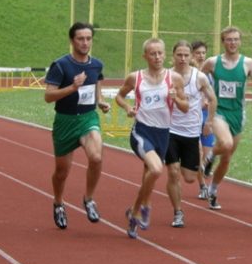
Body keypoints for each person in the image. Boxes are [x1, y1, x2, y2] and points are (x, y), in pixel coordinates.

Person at [115, 37, 188, 239]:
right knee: (156, 169)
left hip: (163, 134)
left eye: (160, 53)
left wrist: (176, 98)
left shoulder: (174, 79)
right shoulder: (135, 77)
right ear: (145, 56)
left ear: (165, 55)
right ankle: (140, 209)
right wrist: (128, 107)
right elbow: (119, 96)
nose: (157, 57)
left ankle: (136, 212)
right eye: (153, 53)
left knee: (149, 174)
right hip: (141, 132)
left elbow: (185, 107)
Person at [44, 22, 110, 229]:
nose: (85, 42)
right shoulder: (60, 65)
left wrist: (100, 101)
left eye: (88, 38)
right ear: (72, 41)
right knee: (62, 172)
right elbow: (48, 96)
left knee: (96, 157)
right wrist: (72, 87)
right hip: (65, 121)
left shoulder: (96, 65)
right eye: (80, 39)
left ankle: (89, 199)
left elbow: (97, 86)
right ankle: (58, 203)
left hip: (88, 119)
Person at [200, 26, 252, 210]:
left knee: (226, 159)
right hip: (219, 111)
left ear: (240, 41)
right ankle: (209, 157)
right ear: (223, 42)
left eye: (235, 39)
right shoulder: (212, 62)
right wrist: (203, 97)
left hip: (238, 114)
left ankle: (213, 190)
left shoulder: (248, 63)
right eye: (229, 39)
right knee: (226, 144)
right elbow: (198, 79)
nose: (232, 43)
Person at [166, 40, 216, 227]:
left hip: (191, 132)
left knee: (189, 177)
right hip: (170, 130)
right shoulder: (166, 76)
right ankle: (178, 212)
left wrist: (209, 121)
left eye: (186, 55)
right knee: (173, 172)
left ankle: (194, 173)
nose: (182, 58)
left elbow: (213, 99)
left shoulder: (199, 77)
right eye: (179, 55)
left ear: (191, 56)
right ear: (173, 55)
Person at [191, 40, 214, 200]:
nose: (201, 56)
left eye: (203, 53)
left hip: (206, 116)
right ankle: (203, 186)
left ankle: (205, 168)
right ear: (192, 54)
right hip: (191, 118)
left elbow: (214, 96)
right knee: (197, 154)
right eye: (198, 53)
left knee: (207, 155)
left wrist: (209, 105)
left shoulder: (210, 74)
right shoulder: (188, 73)